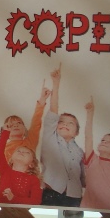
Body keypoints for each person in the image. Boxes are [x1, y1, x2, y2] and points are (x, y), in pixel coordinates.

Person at [0, 82, 50, 202]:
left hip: (21, 191)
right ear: (4, 130)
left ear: (25, 130)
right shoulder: (3, 147)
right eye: (11, 124)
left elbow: (36, 122)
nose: (15, 125)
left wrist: (42, 100)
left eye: (19, 123)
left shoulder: (29, 142)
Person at [40, 64, 85, 207]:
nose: (65, 124)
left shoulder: (79, 152)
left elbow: (83, 177)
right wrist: (56, 83)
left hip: (74, 196)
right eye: (61, 122)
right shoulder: (50, 138)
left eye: (71, 123)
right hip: (51, 193)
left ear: (76, 132)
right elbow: (54, 111)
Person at [0, 129, 43, 205]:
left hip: (21, 211)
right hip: (2, 210)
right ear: (12, 159)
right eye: (18, 151)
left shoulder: (34, 180)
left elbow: (36, 201)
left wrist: (13, 198)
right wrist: (6, 132)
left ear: (31, 164)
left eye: (27, 152)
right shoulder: (5, 170)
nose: (21, 152)